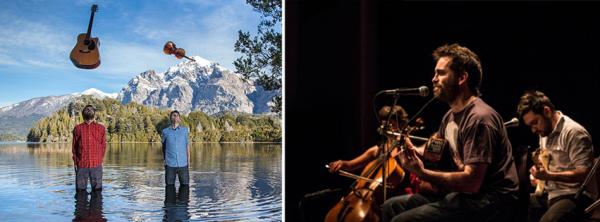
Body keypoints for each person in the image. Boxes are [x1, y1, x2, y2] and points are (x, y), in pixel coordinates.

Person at [381, 43, 520, 222]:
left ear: (462, 78)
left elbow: (472, 183)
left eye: (440, 73)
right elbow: (435, 149)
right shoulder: (449, 116)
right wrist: (413, 150)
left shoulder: (479, 118)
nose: (433, 79)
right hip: (465, 196)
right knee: (391, 206)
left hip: (491, 201)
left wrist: (422, 173)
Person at [517, 90, 597, 222]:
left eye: (535, 122)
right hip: (551, 194)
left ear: (547, 111)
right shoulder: (544, 133)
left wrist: (548, 175)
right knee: (513, 206)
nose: (533, 130)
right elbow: (549, 165)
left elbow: (584, 174)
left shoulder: (574, 133)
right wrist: (539, 177)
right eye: (530, 126)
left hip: (576, 196)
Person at [72, 104, 107, 192]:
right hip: (94, 164)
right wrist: (101, 160)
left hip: (83, 164)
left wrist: (75, 162)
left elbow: (74, 147)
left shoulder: (77, 128)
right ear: (94, 115)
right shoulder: (101, 128)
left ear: (82, 115)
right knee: (97, 193)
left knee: (80, 192)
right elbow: (103, 147)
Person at [161, 110, 190, 188]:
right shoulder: (165, 132)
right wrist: (164, 160)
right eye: (174, 115)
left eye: (177, 115)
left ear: (179, 119)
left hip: (183, 164)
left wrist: (188, 160)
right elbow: (163, 146)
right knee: (169, 187)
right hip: (170, 164)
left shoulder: (185, 131)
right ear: (170, 118)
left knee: (185, 186)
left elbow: (187, 145)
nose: (176, 116)